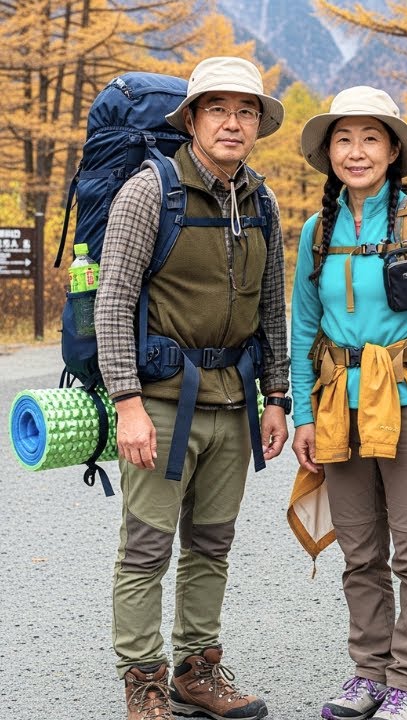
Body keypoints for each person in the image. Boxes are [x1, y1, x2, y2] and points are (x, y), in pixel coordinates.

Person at [96, 56, 290, 720]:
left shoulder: (262, 199)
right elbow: (114, 299)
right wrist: (126, 402)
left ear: (259, 123)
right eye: (218, 109)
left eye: (246, 111)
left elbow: (272, 308)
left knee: (212, 546)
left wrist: (278, 397)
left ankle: (196, 672)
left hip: (234, 403)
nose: (233, 123)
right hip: (158, 399)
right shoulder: (152, 191)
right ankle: (143, 680)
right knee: (147, 546)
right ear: (192, 118)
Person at [289, 86, 407, 720]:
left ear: (393, 149)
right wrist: (303, 415)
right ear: (328, 151)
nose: (356, 151)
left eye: (370, 138)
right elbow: (302, 330)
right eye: (343, 138)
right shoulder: (316, 231)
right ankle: (369, 671)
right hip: (338, 405)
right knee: (359, 548)